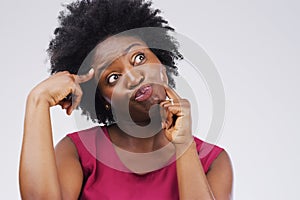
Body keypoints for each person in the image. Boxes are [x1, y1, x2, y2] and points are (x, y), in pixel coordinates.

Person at [19, 0, 233, 199]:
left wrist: (184, 146)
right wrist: (38, 101)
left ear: (161, 63)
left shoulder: (213, 161)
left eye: (139, 58)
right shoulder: (77, 152)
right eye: (113, 78)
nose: (133, 77)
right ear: (103, 99)